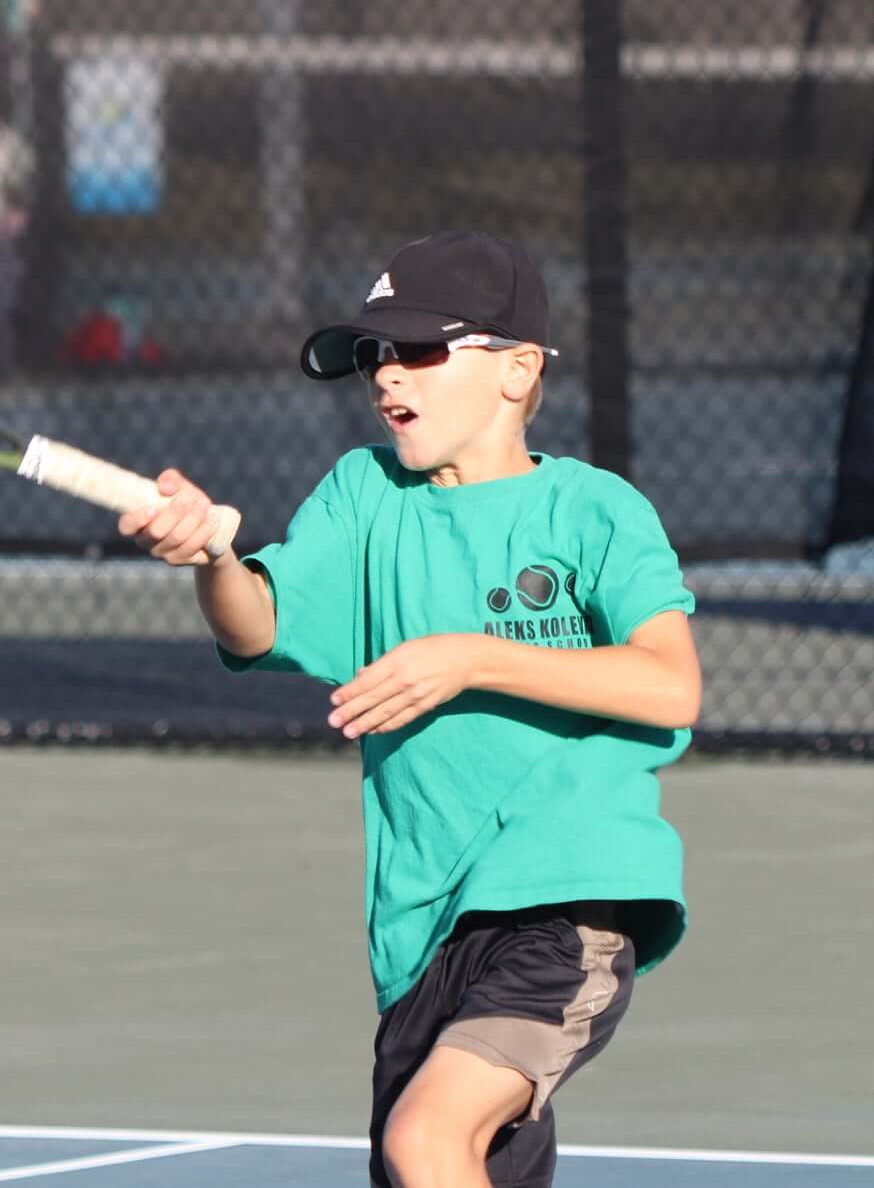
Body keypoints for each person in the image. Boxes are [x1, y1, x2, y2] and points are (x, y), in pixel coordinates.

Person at [121, 230, 701, 1188]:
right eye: (375, 354)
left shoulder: (595, 511)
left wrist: (470, 657)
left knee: (427, 1141)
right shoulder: (364, 495)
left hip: (565, 903)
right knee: (437, 1162)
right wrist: (215, 558)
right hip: (421, 934)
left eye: (420, 349)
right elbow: (255, 626)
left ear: (517, 371)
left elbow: (669, 682)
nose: (388, 372)